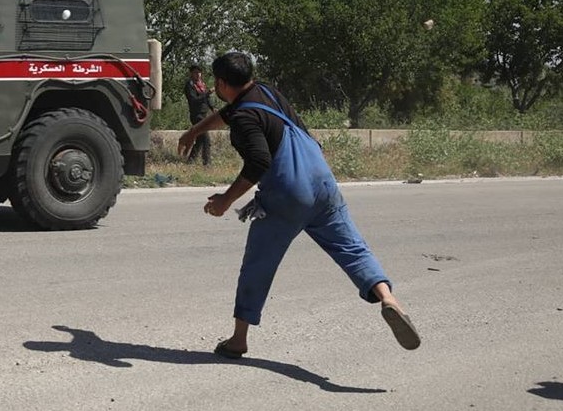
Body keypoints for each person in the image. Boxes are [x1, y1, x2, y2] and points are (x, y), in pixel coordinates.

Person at [177, 52, 420, 358]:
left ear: (222, 83)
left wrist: (225, 200)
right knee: (353, 248)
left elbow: (258, 162)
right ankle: (388, 299)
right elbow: (230, 112)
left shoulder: (244, 119)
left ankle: (239, 339)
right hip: (322, 182)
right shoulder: (265, 91)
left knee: (258, 265)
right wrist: (194, 131)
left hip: (287, 194)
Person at [184, 64, 214, 165]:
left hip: (204, 114)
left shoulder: (201, 84)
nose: (198, 75)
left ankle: (190, 161)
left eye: (199, 72)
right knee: (206, 138)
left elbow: (206, 99)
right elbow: (194, 100)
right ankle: (207, 163)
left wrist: (212, 108)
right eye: (196, 72)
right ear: (191, 74)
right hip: (196, 115)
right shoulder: (190, 85)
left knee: (200, 139)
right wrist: (207, 93)